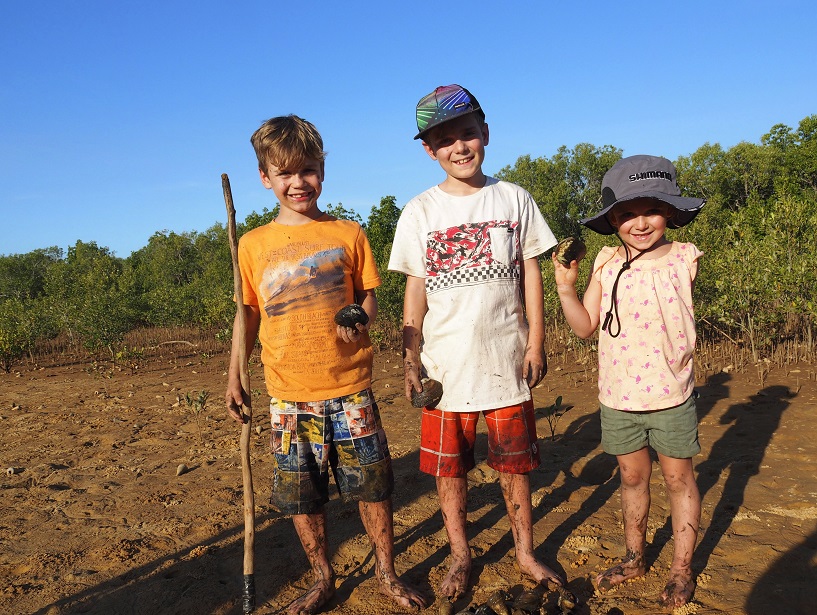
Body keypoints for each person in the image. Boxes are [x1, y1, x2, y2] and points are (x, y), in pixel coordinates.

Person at [225, 115, 426, 615]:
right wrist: (235, 375)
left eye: (308, 170)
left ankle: (386, 572)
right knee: (302, 495)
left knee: (373, 486)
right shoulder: (252, 245)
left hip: (351, 387)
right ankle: (322, 577)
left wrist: (360, 320)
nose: (299, 183)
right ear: (265, 178)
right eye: (285, 173)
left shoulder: (348, 233)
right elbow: (247, 314)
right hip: (288, 395)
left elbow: (368, 297)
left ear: (323, 170)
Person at [388, 84, 563, 602]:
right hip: (445, 369)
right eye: (445, 140)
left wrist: (536, 342)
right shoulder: (420, 211)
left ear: (485, 132)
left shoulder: (514, 199)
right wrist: (410, 359)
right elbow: (414, 289)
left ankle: (525, 551)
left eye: (468, 133)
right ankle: (461, 554)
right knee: (449, 470)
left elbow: (532, 273)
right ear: (429, 151)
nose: (459, 147)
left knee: (515, 466)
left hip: (507, 361)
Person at [552, 154, 705, 608]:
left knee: (679, 480)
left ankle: (681, 569)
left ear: (671, 212)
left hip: (672, 395)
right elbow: (585, 326)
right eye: (627, 214)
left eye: (652, 210)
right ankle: (634, 558)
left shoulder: (684, 257)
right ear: (613, 219)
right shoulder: (605, 262)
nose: (640, 223)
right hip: (618, 397)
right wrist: (565, 287)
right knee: (632, 478)